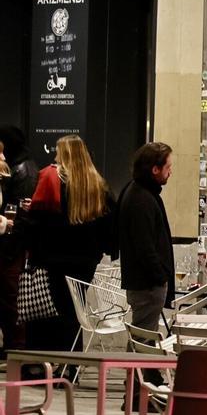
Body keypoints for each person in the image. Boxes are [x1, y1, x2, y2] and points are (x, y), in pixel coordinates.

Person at [25, 135, 117, 353]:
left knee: (57, 308)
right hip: (86, 261)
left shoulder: (56, 181)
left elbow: (41, 222)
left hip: (56, 259)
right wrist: (102, 250)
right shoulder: (98, 185)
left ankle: (59, 359)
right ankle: (73, 362)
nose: (55, 156)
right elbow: (111, 222)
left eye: (58, 151)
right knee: (77, 308)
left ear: (64, 155)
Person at [118, 142, 176, 332]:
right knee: (144, 339)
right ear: (155, 169)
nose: (171, 172)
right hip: (147, 285)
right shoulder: (140, 199)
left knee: (142, 337)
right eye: (168, 167)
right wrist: (160, 277)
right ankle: (135, 364)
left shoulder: (141, 193)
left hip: (147, 283)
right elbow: (144, 246)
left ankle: (135, 363)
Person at [0, 127, 39, 355]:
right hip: (11, 244)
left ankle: (16, 346)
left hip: (11, 246)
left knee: (10, 297)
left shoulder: (21, 170)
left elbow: (18, 213)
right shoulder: (22, 166)